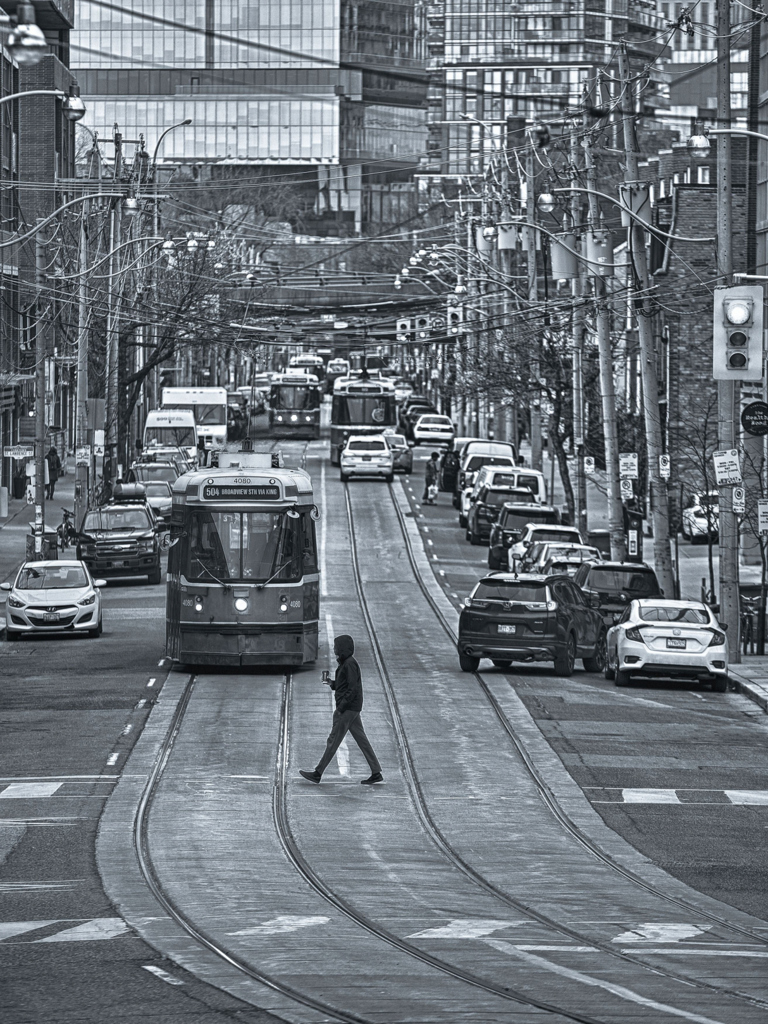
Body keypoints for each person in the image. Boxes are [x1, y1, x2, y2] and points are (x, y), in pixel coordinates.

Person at [300, 634, 383, 785]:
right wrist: (332, 683)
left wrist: (341, 708)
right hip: (352, 708)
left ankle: (317, 773)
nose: (334, 649)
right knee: (362, 740)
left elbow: (352, 689)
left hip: (348, 709)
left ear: (343, 648)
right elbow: (345, 685)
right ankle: (376, 771)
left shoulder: (349, 664)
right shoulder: (346, 663)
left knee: (333, 740)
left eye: (336, 646)